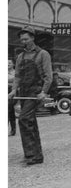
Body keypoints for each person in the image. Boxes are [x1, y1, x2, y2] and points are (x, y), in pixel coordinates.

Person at [8, 26, 52, 165]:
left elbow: (48, 76)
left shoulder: (43, 54)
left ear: (33, 38)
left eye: (26, 39)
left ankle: (31, 154)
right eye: (22, 40)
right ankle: (36, 155)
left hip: (36, 91)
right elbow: (17, 76)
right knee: (30, 121)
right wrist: (14, 90)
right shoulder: (20, 56)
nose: (24, 42)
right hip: (24, 92)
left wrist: (43, 92)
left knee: (24, 119)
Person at [8, 59, 16, 136]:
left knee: (9, 109)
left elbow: (17, 82)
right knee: (10, 111)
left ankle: (12, 130)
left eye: (9, 63)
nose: (8, 64)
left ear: (13, 64)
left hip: (13, 91)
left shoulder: (16, 73)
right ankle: (13, 129)